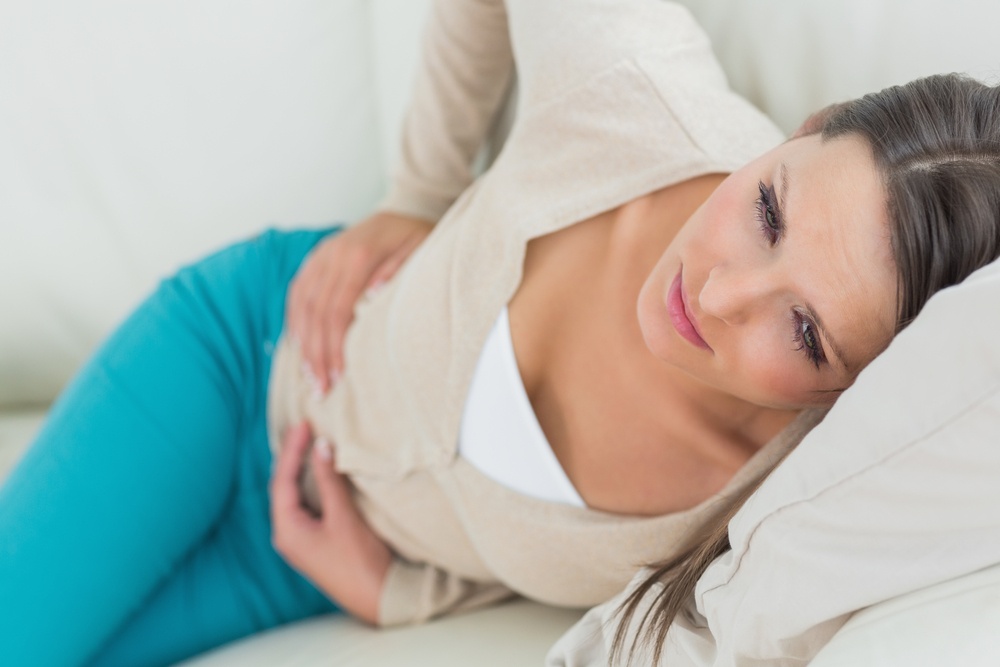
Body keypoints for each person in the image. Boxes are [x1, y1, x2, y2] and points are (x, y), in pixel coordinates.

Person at [2, 1, 999, 666]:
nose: (722, 291)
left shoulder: (774, 508)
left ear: (855, 387)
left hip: (294, 555)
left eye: (806, 330)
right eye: (770, 212)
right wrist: (415, 194)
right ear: (801, 131)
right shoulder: (634, 93)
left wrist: (402, 593)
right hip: (236, 362)